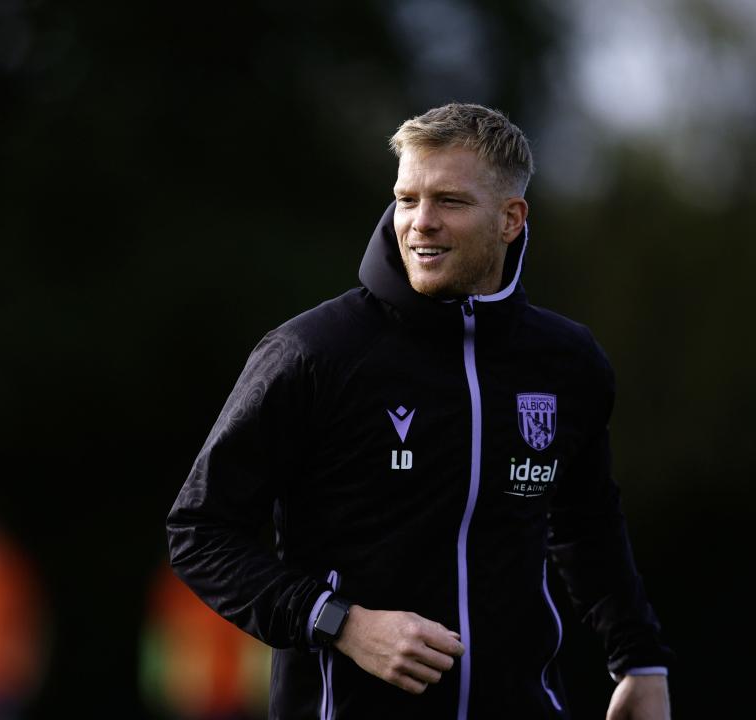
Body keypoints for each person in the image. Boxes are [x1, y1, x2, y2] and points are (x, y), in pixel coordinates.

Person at [167, 102, 673, 720]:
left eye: (450, 202)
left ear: (511, 219)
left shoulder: (568, 362)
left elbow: (585, 521)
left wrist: (640, 661)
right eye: (407, 199)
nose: (420, 222)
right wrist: (342, 623)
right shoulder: (314, 353)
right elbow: (199, 532)